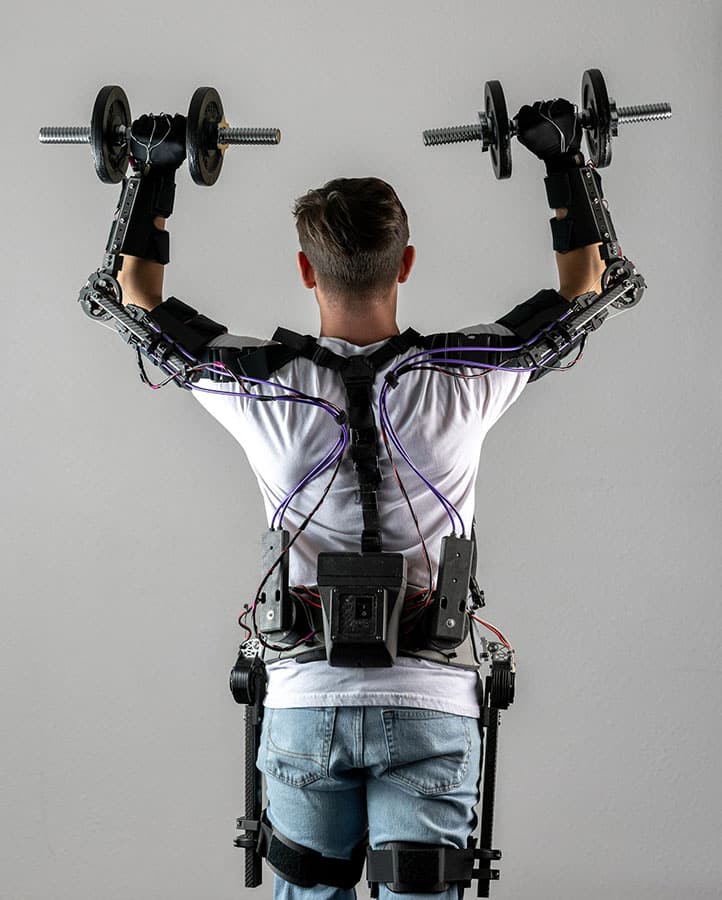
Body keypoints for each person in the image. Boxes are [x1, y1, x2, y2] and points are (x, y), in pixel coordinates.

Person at [116, 98, 606, 900]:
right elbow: (587, 287)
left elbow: (134, 297)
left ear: (305, 269)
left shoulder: (259, 384)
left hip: (305, 708)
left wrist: (154, 173)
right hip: (432, 708)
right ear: (404, 263)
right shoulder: (466, 377)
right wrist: (562, 161)